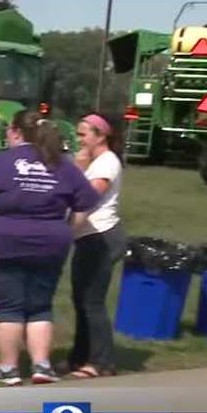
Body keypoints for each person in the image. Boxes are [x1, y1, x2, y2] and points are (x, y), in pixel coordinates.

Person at [0, 110, 99, 385]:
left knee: (7, 307)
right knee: (40, 306)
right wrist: (69, 231)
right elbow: (85, 204)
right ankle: (42, 366)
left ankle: (8, 369)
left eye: (9, 130)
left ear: (17, 132)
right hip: (49, 242)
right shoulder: (63, 165)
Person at [66, 113, 126, 379]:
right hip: (86, 237)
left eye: (83, 134)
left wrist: (77, 170)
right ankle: (79, 357)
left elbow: (88, 196)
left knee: (92, 301)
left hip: (102, 237)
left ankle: (102, 362)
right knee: (79, 299)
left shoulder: (107, 162)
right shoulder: (95, 161)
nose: (79, 139)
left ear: (100, 136)